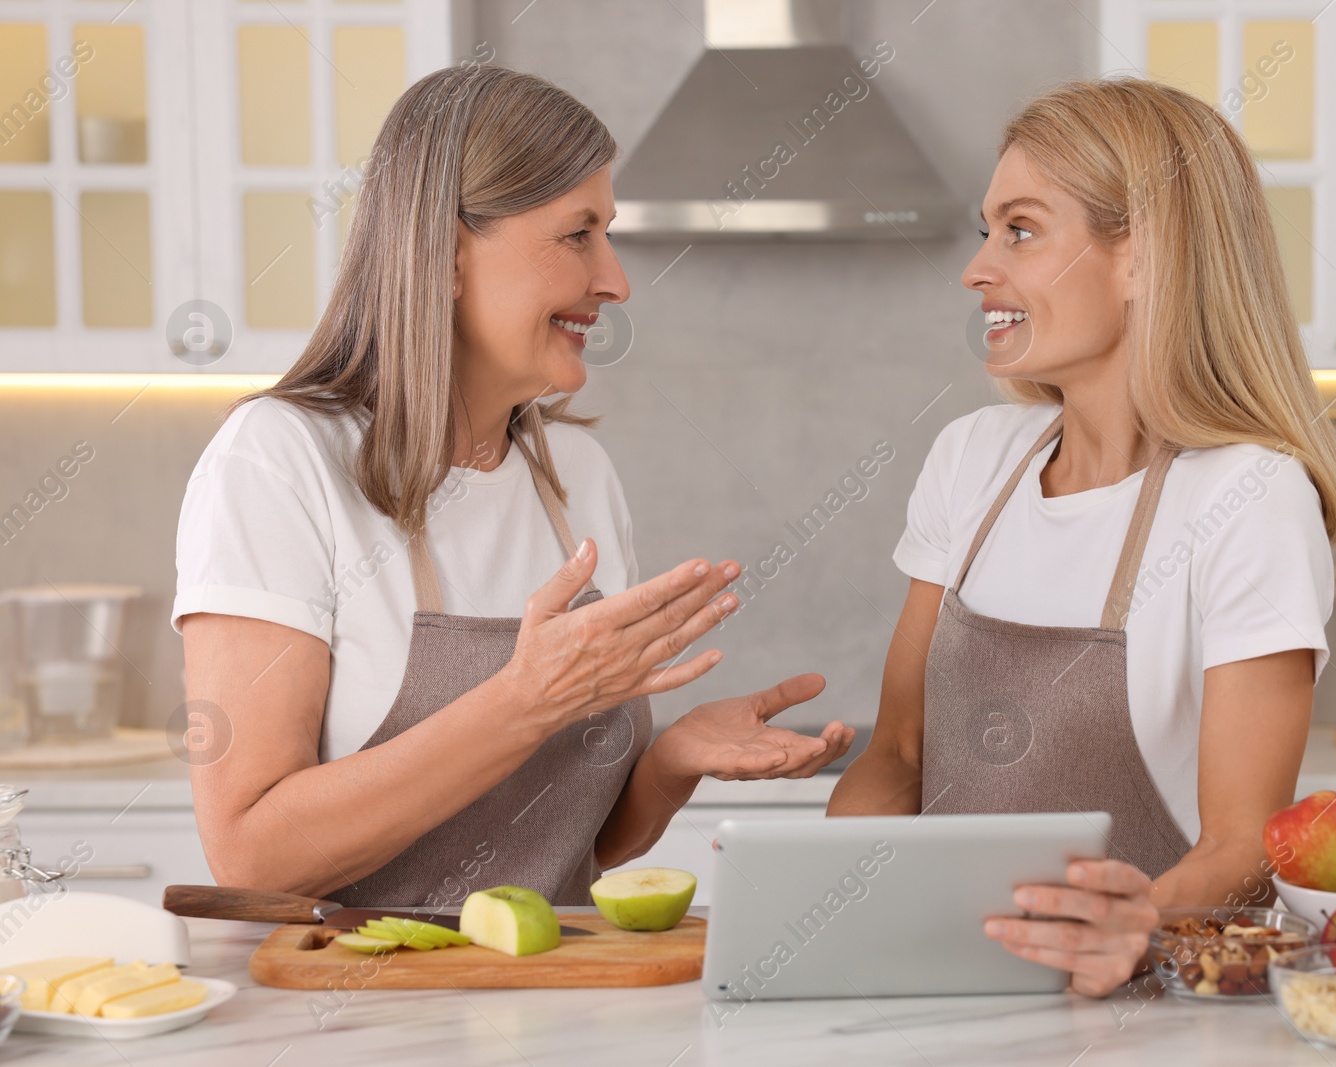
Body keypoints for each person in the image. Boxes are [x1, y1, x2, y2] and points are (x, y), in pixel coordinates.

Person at [173, 66, 853, 906]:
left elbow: (577, 847)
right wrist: (524, 701)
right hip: (355, 1023)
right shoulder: (280, 461)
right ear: (450, 255)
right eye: (579, 235)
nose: (616, 280)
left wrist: (669, 761)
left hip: (555, 1014)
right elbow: (250, 853)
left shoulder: (575, 481)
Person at [827, 78, 1336, 997]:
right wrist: (842, 898)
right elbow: (900, 755)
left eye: (1022, 230)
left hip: (1144, 1010)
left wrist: (1139, 921)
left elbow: (1245, 844)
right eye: (987, 228)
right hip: (934, 992)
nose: (978, 267)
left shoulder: (1248, 493)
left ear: (1143, 258)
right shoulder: (973, 459)